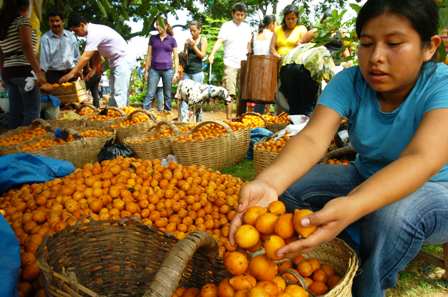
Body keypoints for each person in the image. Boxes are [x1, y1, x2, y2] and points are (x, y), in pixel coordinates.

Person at [229, 1, 448, 297]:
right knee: (289, 190)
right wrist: (268, 182)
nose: (376, 58)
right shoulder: (351, 81)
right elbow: (312, 138)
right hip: (366, 174)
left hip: (436, 187)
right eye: (367, 44)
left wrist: (354, 204)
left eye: (394, 43)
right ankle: (345, 252)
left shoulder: (440, 86)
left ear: (429, 47)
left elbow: (422, 159)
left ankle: (368, 285)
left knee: (392, 217)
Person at [60, 14, 134, 108]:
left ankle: (121, 117)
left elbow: (86, 56)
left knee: (119, 93)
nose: (75, 34)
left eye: (76, 30)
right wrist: (94, 69)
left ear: (82, 25)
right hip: (115, 61)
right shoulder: (94, 32)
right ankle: (114, 115)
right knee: (114, 92)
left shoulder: (94, 33)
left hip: (123, 60)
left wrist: (71, 74)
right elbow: (97, 55)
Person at [0, 0, 46, 129]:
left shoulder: (4, 26)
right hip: (25, 73)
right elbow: (26, 46)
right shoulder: (22, 21)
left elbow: (1, 53)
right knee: (32, 112)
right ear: (25, 6)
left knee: (15, 113)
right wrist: (38, 71)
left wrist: (3, 74)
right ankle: (28, 144)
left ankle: (14, 143)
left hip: (9, 72)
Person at [209, 2, 252, 118]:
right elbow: (219, 41)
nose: (240, 17)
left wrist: (251, 59)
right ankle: (228, 119)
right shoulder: (226, 26)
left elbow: (249, 45)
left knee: (243, 93)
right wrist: (212, 54)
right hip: (230, 63)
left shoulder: (247, 28)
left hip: (244, 63)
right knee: (230, 92)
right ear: (233, 14)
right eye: (238, 14)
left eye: (242, 15)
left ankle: (240, 118)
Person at [143, 18, 178, 113]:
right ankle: (144, 114)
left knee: (167, 94)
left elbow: (176, 57)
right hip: (154, 70)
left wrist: (176, 72)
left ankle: (167, 115)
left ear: (166, 26)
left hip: (168, 70)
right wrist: (146, 71)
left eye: (160, 25)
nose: (157, 27)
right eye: (156, 25)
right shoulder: (153, 38)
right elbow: (149, 55)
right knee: (150, 93)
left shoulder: (172, 40)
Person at [248, 15, 280, 114]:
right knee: (266, 94)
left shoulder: (254, 34)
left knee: (258, 95)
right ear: (272, 24)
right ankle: (262, 117)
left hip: (255, 66)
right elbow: (272, 50)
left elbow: (249, 50)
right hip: (267, 66)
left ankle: (257, 115)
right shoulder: (272, 34)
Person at [39, 11, 80, 83]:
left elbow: (77, 55)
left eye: (57, 21)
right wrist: (42, 78)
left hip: (70, 72)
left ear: (63, 22)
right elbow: (43, 61)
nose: (55, 23)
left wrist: (78, 71)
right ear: (49, 23)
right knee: (55, 94)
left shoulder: (71, 36)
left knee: (72, 94)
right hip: (53, 75)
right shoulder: (45, 38)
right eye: (52, 21)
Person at [179, 21, 208, 122]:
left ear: (199, 30)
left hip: (197, 73)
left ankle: (199, 121)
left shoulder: (203, 39)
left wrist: (194, 46)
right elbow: (185, 58)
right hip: (187, 72)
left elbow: (202, 55)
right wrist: (185, 50)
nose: (192, 33)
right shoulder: (188, 41)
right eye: (190, 31)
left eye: (194, 31)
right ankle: (184, 121)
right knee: (184, 97)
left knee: (197, 98)